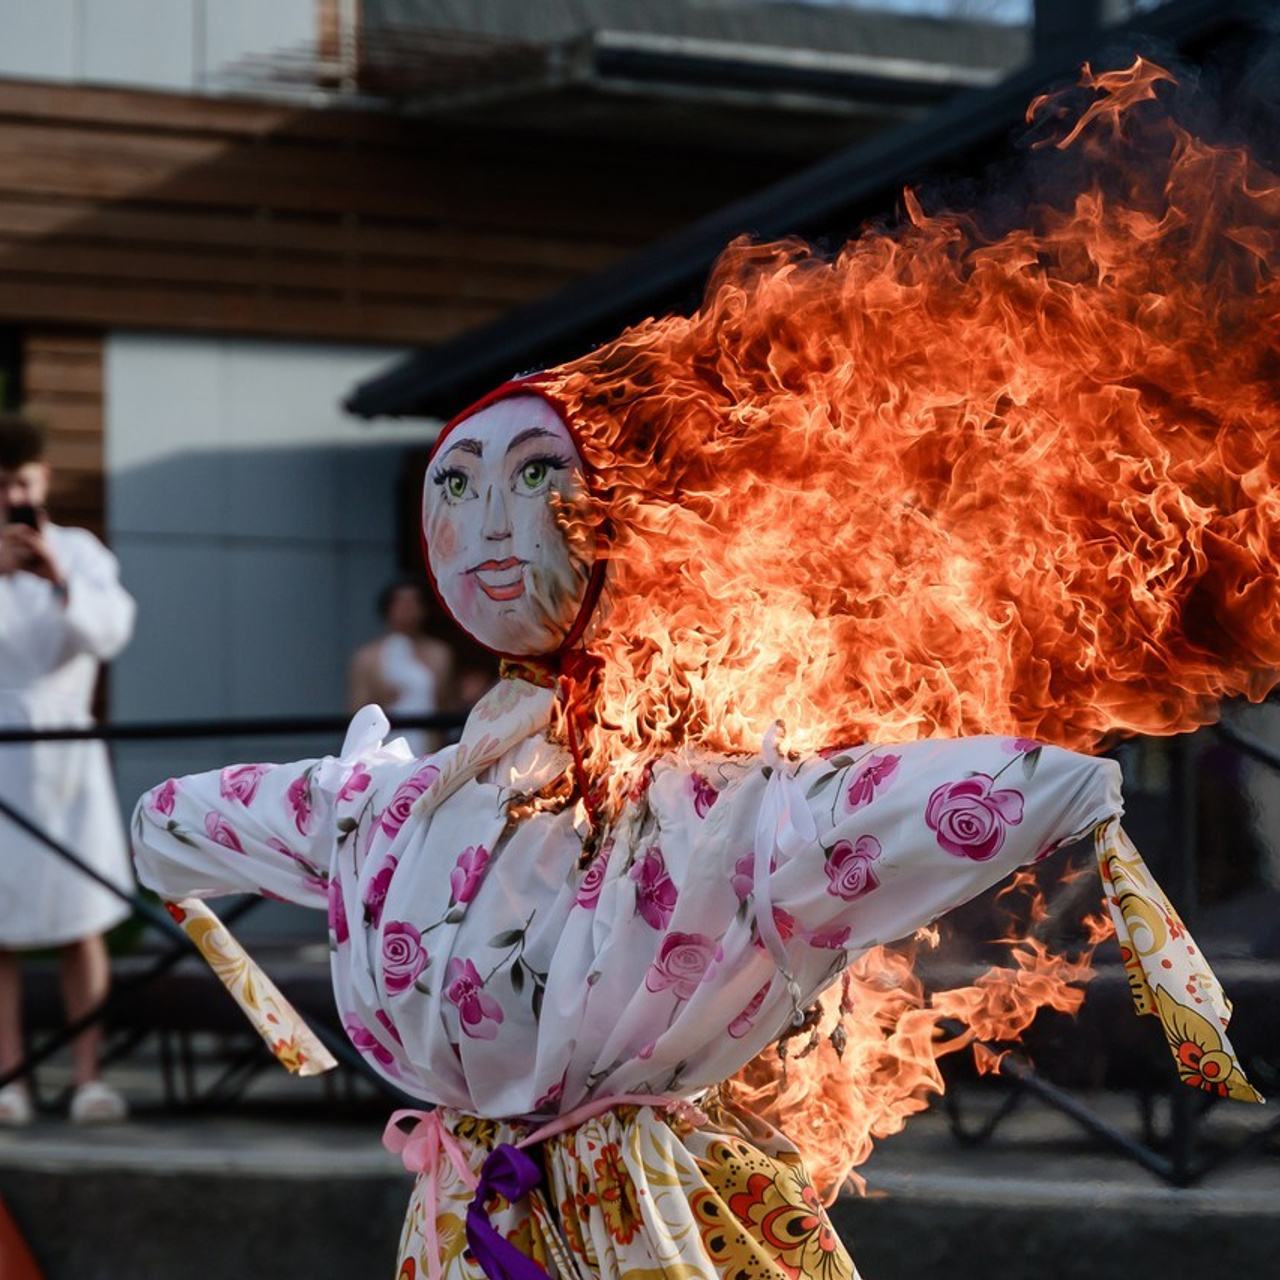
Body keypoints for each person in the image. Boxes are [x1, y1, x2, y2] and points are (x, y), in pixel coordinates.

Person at [130, 62, 1273, 1278]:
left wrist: (1060, 789)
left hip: (651, 1218)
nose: (490, 526)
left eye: (533, 479)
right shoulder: (392, 813)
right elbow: (189, 819)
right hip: (470, 1220)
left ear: (611, 515)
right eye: (452, 488)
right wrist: (169, 838)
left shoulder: (706, 805)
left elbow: (885, 810)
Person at [0, 414, 136, 1126]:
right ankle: (10, 1080)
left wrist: (58, 580)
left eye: (21, 483)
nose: (12, 497)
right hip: (1, 758)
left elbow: (111, 631)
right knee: (0, 934)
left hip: (67, 753)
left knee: (79, 923)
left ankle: (89, 1078)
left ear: (42, 481)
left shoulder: (78, 551)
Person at [348, 579, 455, 754]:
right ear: (387, 609)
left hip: (428, 743)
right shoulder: (368, 657)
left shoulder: (439, 653)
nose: (408, 609)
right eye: (401, 602)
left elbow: (447, 704)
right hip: (386, 744)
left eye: (414, 602)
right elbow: (357, 710)